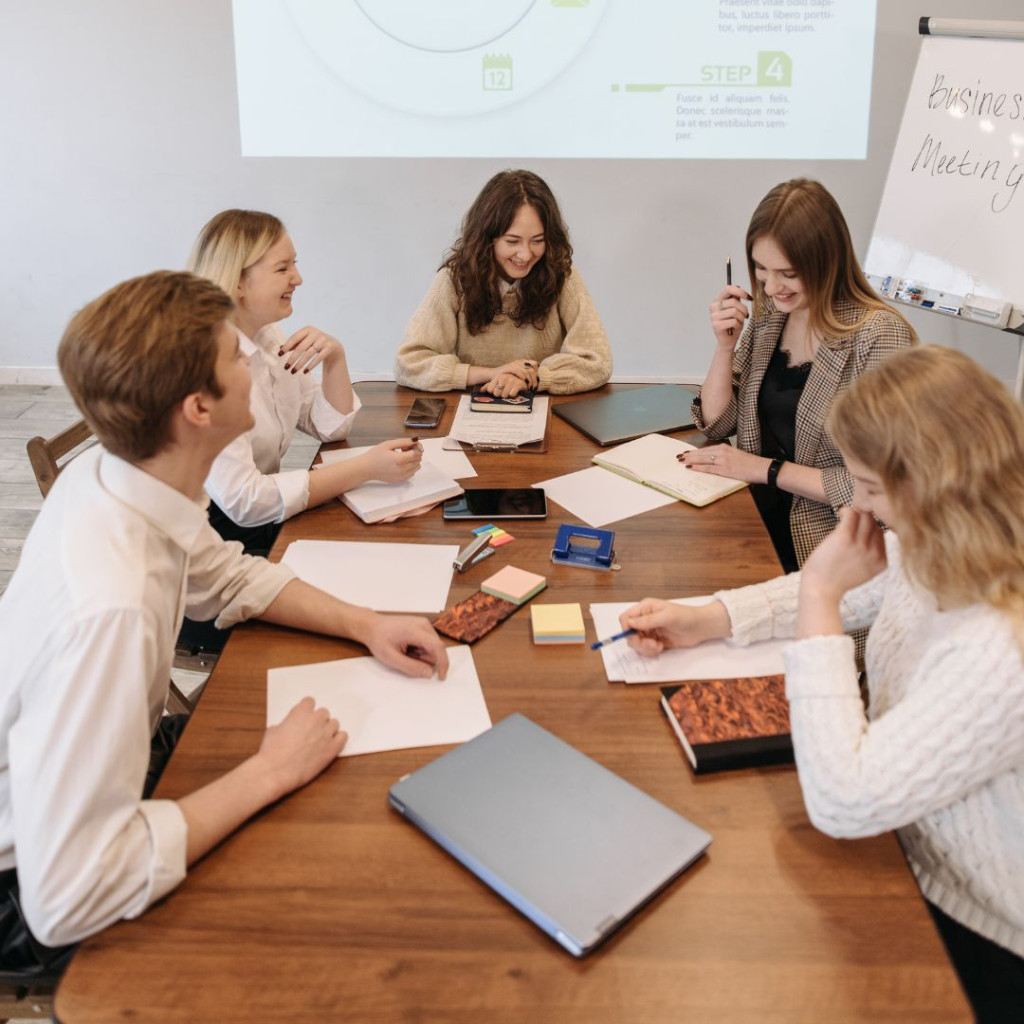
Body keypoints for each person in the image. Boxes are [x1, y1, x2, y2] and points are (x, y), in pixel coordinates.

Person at [0, 272, 449, 972]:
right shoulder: (111, 612)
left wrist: (366, 623)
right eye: (239, 356)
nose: (257, 360)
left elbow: (229, 577)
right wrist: (268, 772)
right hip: (27, 880)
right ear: (198, 409)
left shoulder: (118, 475)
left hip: (88, 785)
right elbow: (69, 896)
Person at [622, 346, 1024, 1020]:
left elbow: (844, 801)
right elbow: (867, 587)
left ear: (937, 483)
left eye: (869, 488)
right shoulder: (944, 540)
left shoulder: (1000, 647)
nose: (854, 505)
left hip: (978, 924)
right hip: (904, 847)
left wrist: (819, 596)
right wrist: (709, 618)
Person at [684, 178, 916, 572]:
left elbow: (886, 487)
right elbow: (719, 423)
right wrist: (724, 347)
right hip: (753, 518)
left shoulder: (880, 335)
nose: (772, 287)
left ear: (827, 262)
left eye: (788, 273)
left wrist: (764, 470)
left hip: (830, 540)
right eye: (761, 269)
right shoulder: (771, 317)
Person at [189, 209, 421, 554]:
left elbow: (328, 427)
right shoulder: (204, 368)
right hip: (214, 541)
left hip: (263, 519)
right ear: (237, 282)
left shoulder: (268, 337)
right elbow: (245, 502)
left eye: (294, 264)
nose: (297, 278)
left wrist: (335, 357)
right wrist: (365, 469)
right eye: (282, 268)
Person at [394, 169, 612, 397]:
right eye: (512, 241)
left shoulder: (563, 276)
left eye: (538, 241)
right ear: (487, 238)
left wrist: (532, 378)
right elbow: (408, 365)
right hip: (474, 405)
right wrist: (491, 374)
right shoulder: (455, 279)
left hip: (542, 406)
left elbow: (597, 362)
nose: (525, 255)